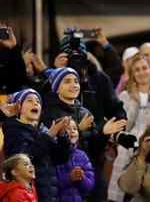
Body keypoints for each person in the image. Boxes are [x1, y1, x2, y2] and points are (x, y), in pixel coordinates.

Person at [52, 29, 127, 201]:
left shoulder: (99, 79)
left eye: (79, 56)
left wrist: (118, 129)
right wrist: (54, 73)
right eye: (70, 56)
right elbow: (42, 102)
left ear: (86, 57)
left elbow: (116, 108)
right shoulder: (54, 81)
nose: (75, 60)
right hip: (62, 161)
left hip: (93, 156)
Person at [108, 55, 150, 202]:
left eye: (145, 68)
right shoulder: (124, 96)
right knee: (123, 151)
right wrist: (136, 103)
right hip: (129, 143)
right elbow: (125, 125)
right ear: (133, 74)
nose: (142, 72)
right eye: (137, 70)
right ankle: (115, 199)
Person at [2, 88, 71, 202]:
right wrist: (48, 137)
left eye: (38, 102)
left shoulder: (43, 130)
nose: (35, 103)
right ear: (19, 108)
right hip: (28, 194)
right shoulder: (13, 131)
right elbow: (24, 160)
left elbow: (60, 158)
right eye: (29, 100)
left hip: (51, 193)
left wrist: (62, 136)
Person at [57, 119, 95, 202]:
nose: (72, 131)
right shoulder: (54, 154)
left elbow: (89, 186)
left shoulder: (82, 156)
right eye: (67, 128)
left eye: (75, 128)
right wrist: (70, 178)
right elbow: (52, 183)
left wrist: (81, 177)